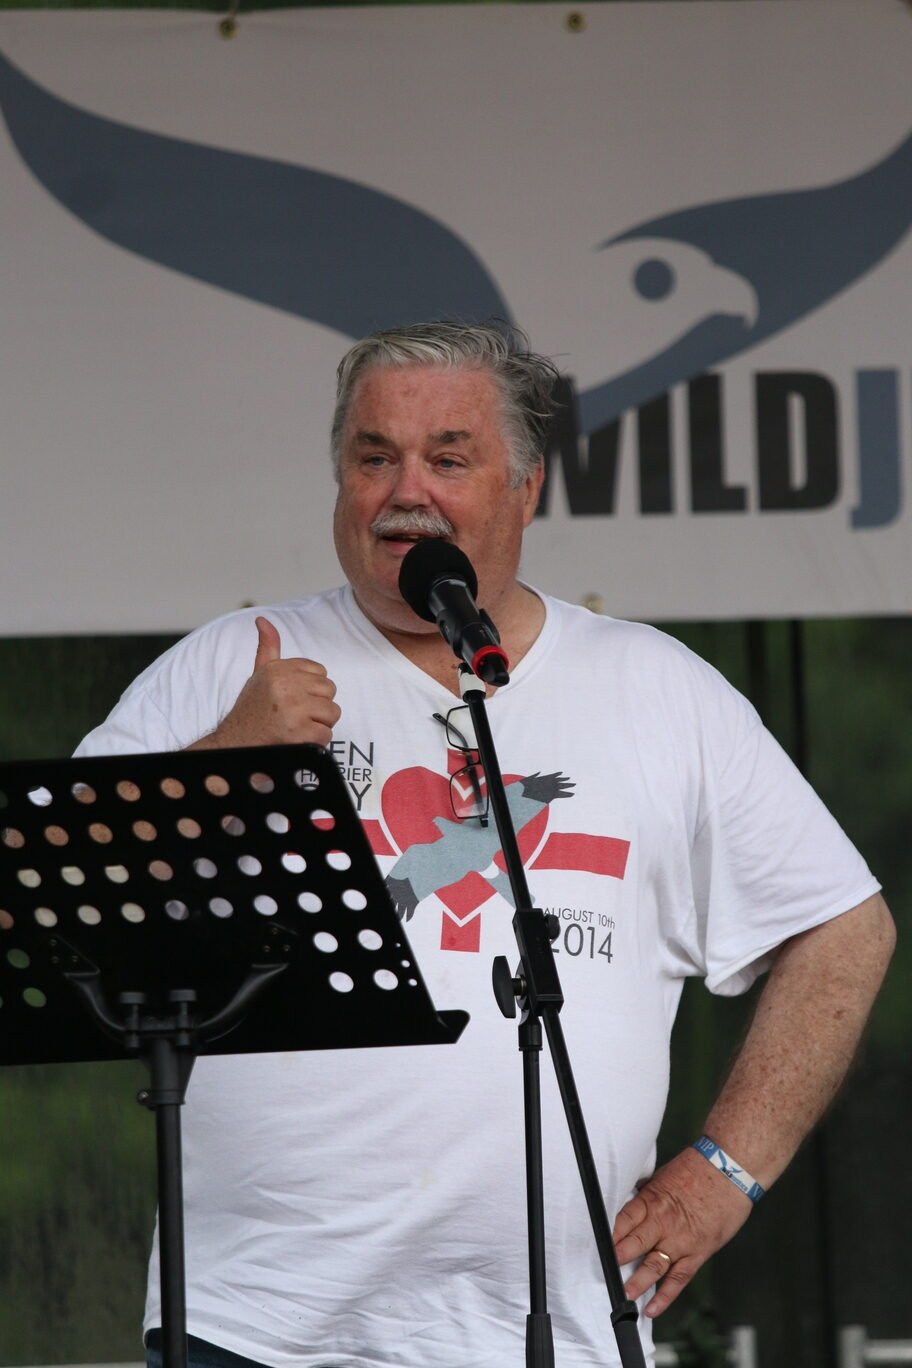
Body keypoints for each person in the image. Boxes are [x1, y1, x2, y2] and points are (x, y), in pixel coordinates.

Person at [76, 321, 894, 1368]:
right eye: (375, 457)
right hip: (257, 1325)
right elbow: (67, 898)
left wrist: (722, 1175)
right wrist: (227, 758)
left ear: (527, 487)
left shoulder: (658, 688)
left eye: (448, 459)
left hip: (558, 1330)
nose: (405, 492)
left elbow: (843, 930)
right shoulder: (231, 667)